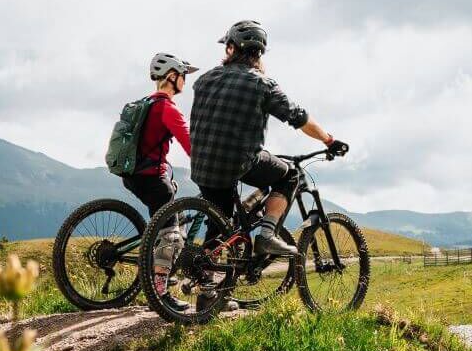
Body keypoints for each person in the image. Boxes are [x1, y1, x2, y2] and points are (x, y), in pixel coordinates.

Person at [189, 20, 347, 257]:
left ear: (231, 48)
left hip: (202, 164)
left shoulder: (204, 79)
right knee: (290, 174)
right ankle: (266, 236)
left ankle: (208, 285)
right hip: (238, 163)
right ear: (259, 53)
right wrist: (328, 140)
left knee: (219, 225)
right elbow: (299, 117)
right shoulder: (262, 84)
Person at [134, 53, 198, 312]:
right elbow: (190, 144)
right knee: (172, 232)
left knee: (167, 219)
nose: (185, 81)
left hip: (134, 175)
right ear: (173, 76)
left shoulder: (144, 103)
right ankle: (160, 291)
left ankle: (152, 272)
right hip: (153, 176)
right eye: (183, 75)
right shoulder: (167, 108)